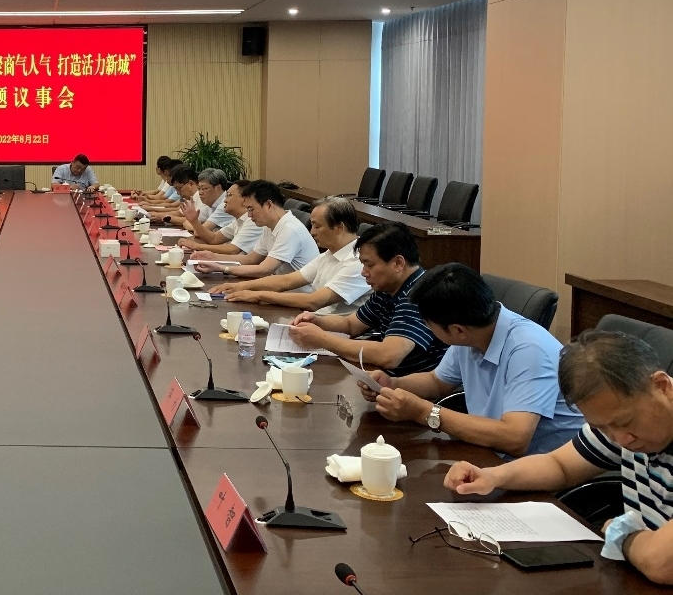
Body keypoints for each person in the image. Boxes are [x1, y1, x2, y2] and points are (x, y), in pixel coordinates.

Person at [444, 331, 673, 583]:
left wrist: (621, 535)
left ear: (662, 387)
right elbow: (560, 465)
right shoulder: (618, 420)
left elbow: (661, 563)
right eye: (602, 428)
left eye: (625, 422)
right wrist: (493, 476)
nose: (620, 439)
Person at [359, 263, 583, 458]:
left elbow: (515, 438)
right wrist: (392, 384)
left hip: (542, 469)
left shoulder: (530, 350)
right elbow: (437, 382)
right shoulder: (472, 334)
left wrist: (424, 412)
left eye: (429, 326)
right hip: (489, 453)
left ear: (458, 330)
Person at [284, 223, 448, 376]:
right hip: (384, 379)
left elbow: (389, 355)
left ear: (398, 263)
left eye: (369, 265)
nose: (364, 272)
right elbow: (352, 324)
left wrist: (322, 339)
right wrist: (317, 321)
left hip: (411, 388)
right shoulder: (388, 288)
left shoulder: (419, 295)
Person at [210, 197, 370, 314]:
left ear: (339, 227)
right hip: (313, 321)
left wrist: (257, 295)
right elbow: (286, 281)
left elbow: (313, 301)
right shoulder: (329, 254)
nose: (312, 232)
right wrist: (239, 287)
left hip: (336, 334)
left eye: (317, 226)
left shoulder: (358, 262)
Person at [194, 180, 318, 279]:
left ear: (268, 205)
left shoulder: (289, 229)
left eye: (251, 209)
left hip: (298, 296)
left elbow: (264, 269)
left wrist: (223, 268)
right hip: (280, 289)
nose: (248, 215)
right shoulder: (270, 226)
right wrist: (212, 257)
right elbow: (250, 259)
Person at [179, 180, 263, 256]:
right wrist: (194, 221)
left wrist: (197, 246)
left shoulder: (253, 221)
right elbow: (214, 238)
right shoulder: (238, 220)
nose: (225, 200)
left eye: (229, 195)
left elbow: (233, 249)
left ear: (244, 198)